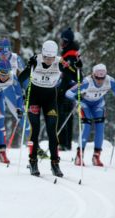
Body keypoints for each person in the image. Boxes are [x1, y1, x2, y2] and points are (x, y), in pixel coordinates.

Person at [18, 40, 76, 177]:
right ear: (42, 54)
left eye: (51, 58)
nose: (48, 60)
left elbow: (75, 76)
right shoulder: (36, 60)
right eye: (46, 57)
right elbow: (21, 78)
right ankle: (33, 161)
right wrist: (28, 67)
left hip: (50, 98)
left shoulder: (59, 61)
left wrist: (76, 67)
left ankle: (55, 163)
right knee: (35, 128)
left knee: (52, 129)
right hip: (33, 97)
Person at [66, 64, 115, 166]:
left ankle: (96, 156)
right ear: (93, 75)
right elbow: (68, 93)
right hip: (84, 104)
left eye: (102, 78)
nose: (100, 80)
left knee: (100, 128)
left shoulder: (110, 81)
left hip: (98, 104)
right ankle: (79, 156)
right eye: (97, 78)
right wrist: (77, 97)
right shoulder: (86, 82)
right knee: (87, 126)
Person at [57, 27, 82, 151]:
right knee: (66, 115)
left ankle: (64, 143)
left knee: (63, 114)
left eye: (62, 40)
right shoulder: (69, 52)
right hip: (68, 86)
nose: (61, 43)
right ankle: (65, 143)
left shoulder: (71, 54)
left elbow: (70, 73)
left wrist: (62, 89)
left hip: (67, 88)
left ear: (67, 41)